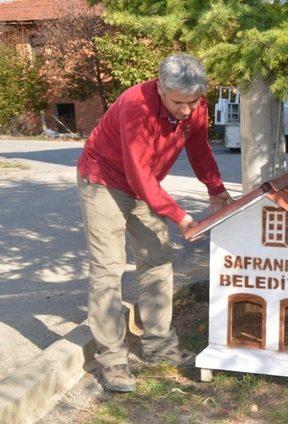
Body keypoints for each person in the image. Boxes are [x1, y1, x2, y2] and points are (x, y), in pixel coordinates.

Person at [77, 53, 232, 393]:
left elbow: (200, 148)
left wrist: (216, 190)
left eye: (194, 102)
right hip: (104, 179)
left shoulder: (194, 105)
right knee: (108, 268)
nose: (187, 110)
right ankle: (113, 358)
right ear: (161, 88)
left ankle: (159, 345)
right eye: (180, 102)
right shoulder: (136, 106)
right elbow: (138, 174)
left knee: (158, 258)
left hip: (142, 183)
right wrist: (181, 216)